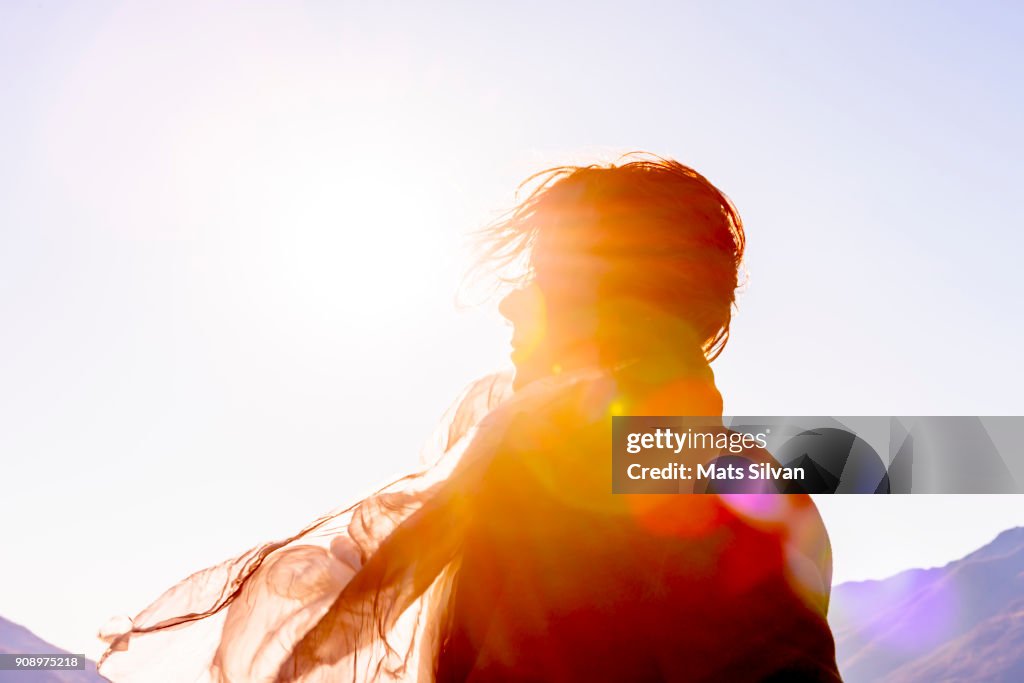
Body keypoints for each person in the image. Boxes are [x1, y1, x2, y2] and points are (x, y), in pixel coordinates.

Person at [98, 154, 842, 682]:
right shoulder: (539, 465)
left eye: (546, 278)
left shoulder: (697, 476)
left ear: (623, 302)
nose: (511, 302)